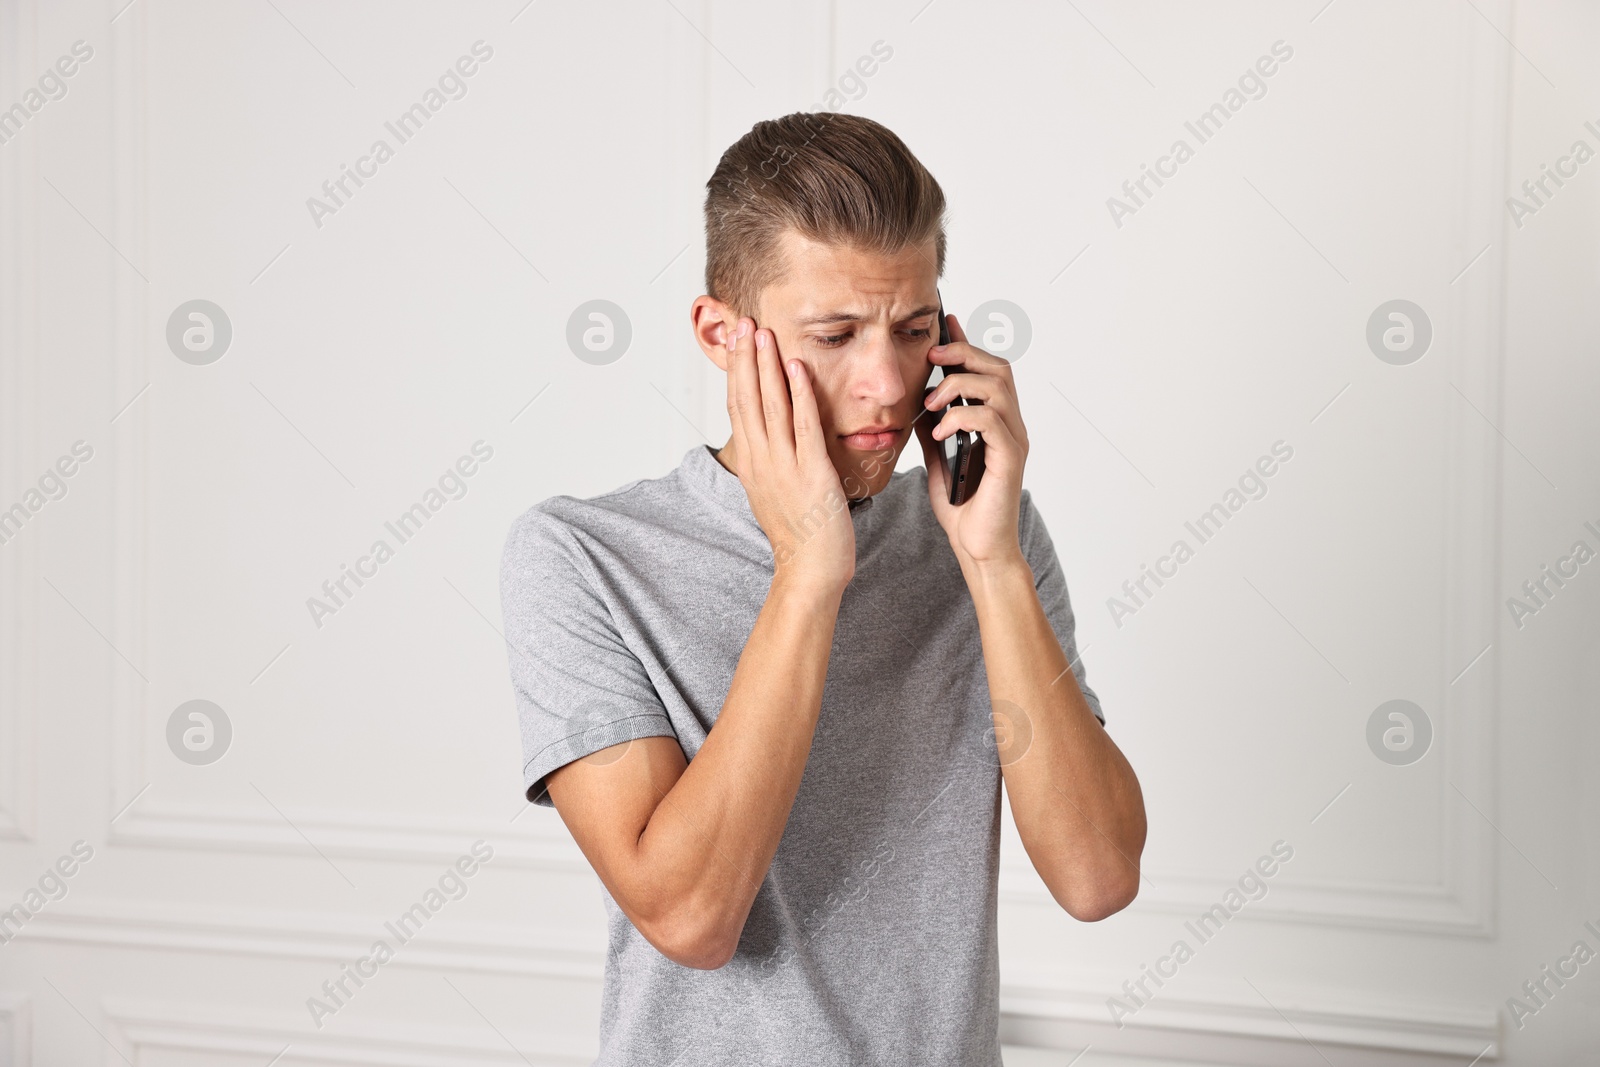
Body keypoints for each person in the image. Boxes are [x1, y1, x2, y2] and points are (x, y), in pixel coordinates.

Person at [500, 111, 1146, 1066]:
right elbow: (691, 917)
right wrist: (810, 569)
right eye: (836, 334)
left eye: (914, 328)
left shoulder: (984, 534)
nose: (886, 382)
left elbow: (1098, 876)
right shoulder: (582, 557)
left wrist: (994, 562)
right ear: (723, 335)